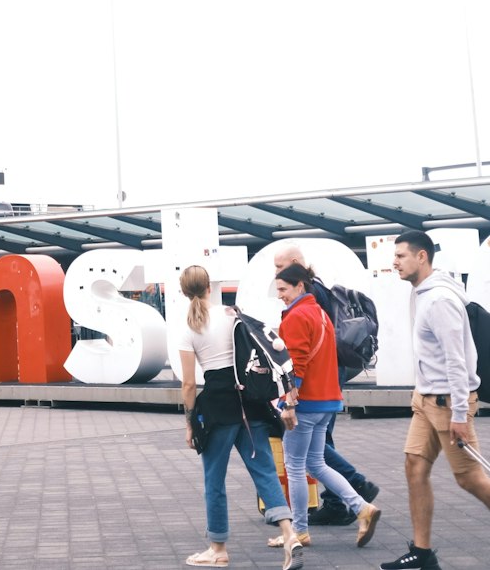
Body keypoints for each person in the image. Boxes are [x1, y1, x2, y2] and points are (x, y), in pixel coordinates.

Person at [178, 264, 305, 570]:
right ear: (210, 287)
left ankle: (218, 549)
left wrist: (190, 422)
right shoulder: (232, 314)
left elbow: (189, 384)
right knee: (263, 470)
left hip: (216, 406)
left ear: (184, 292)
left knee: (215, 479)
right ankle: (289, 534)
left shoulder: (188, 328)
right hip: (248, 404)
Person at [378, 230, 490, 570]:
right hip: (425, 400)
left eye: (400, 256)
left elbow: (458, 360)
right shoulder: (420, 293)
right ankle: (422, 554)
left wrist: (459, 412)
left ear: (422, 257)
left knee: (469, 477)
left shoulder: (439, 300)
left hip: (447, 403)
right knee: (415, 466)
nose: (394, 262)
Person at [274, 262, 381, 549]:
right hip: (327, 399)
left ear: (299, 286)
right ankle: (361, 508)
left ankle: (298, 531)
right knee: (316, 463)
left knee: (295, 466)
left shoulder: (296, 317)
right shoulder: (320, 312)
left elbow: (295, 364)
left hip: (306, 402)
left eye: (283, 289)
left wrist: (289, 403)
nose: (280, 295)